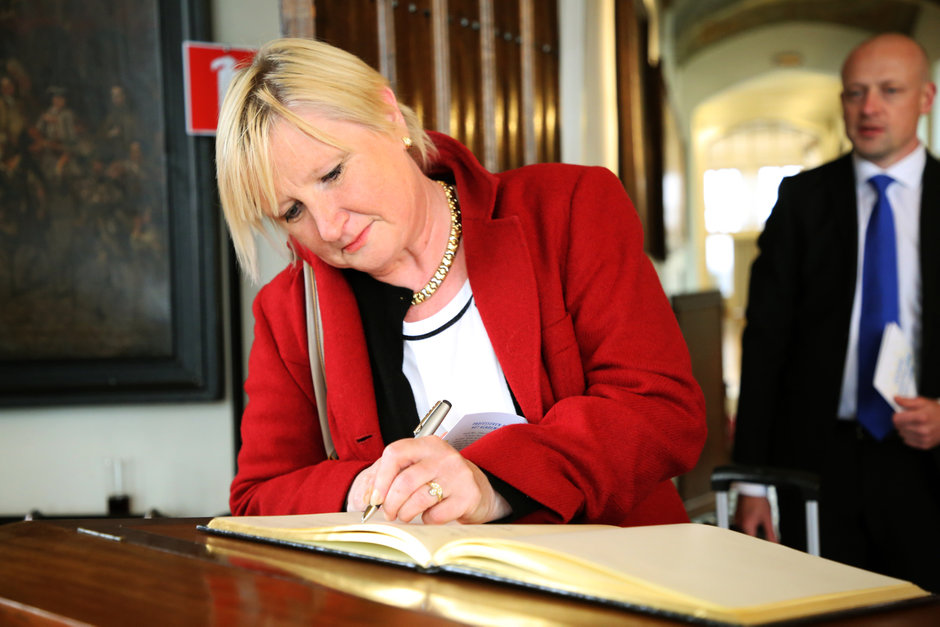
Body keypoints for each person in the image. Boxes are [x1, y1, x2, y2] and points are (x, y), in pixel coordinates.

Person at [216, 38, 706, 527]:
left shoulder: (569, 209)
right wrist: (366, 487)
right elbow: (258, 497)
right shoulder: (288, 311)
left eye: (332, 173)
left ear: (389, 116)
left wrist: (491, 481)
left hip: (605, 566)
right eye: (292, 211)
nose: (327, 227)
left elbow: (660, 411)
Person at [733, 33, 939, 591]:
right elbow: (765, 341)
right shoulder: (801, 201)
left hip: (928, 462)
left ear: (925, 98)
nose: (869, 107)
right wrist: (752, 481)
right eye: (855, 92)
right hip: (817, 462)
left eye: (889, 91)